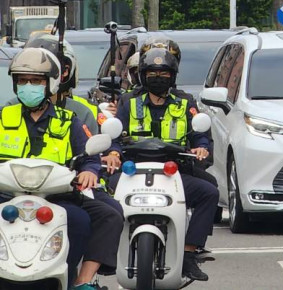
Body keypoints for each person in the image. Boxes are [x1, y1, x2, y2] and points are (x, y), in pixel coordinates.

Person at [0, 47, 123, 290]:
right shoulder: (3, 117)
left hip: (57, 196)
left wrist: (89, 171)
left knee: (96, 216)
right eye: (22, 81)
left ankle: (80, 281)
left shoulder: (68, 120)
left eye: (35, 81)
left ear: (50, 84)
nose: (28, 86)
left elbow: (89, 154)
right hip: (7, 194)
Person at [111, 46, 218, 283]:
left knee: (209, 192)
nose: (158, 79)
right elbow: (114, 136)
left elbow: (200, 135)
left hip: (174, 172)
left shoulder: (185, 102)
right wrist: (112, 154)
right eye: (152, 74)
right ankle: (106, 253)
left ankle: (189, 253)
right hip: (133, 171)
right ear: (142, 75)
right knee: (102, 198)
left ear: (173, 76)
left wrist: (201, 148)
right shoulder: (128, 102)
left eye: (164, 74)